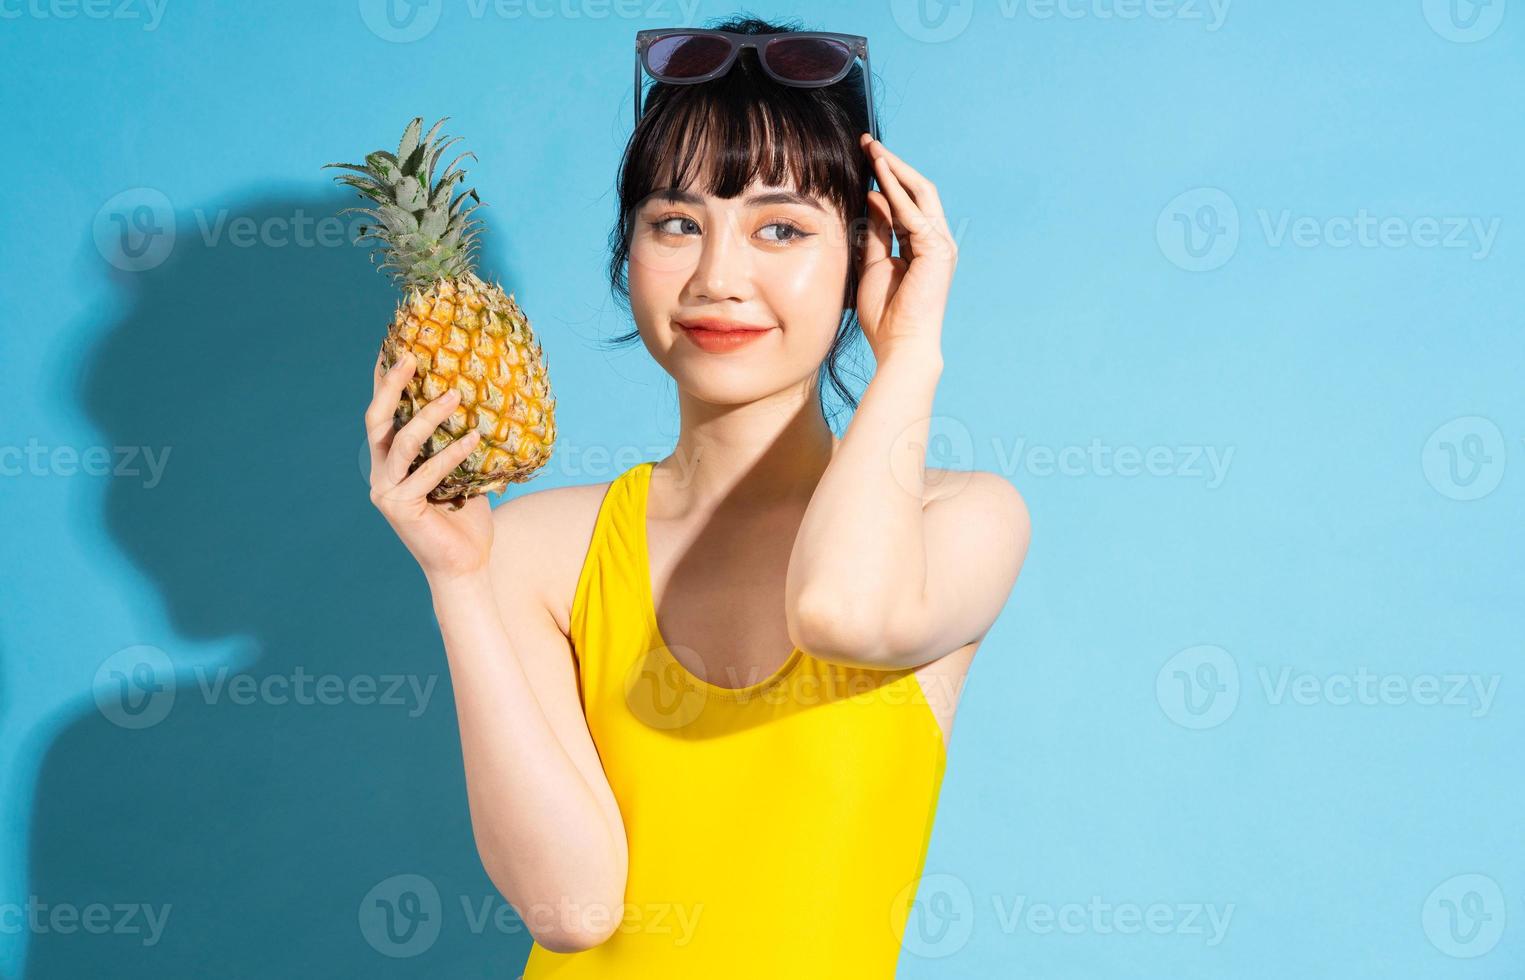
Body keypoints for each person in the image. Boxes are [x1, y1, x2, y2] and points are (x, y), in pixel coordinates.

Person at [364, 15, 1030, 977]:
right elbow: (573, 909)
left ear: (865, 253)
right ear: (625, 252)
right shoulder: (539, 549)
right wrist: (459, 582)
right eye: (676, 223)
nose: (718, 278)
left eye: (781, 229)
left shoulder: (957, 522)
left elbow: (838, 609)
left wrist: (910, 353)